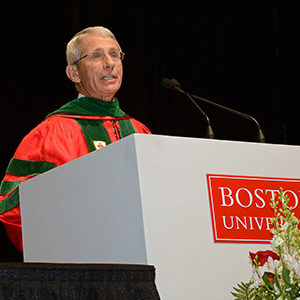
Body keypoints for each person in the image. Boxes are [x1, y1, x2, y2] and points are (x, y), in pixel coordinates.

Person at [0, 26, 151, 253]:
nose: (109, 62)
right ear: (74, 73)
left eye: (114, 54)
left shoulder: (139, 131)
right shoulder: (51, 133)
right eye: (97, 56)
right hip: (79, 263)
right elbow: (14, 206)